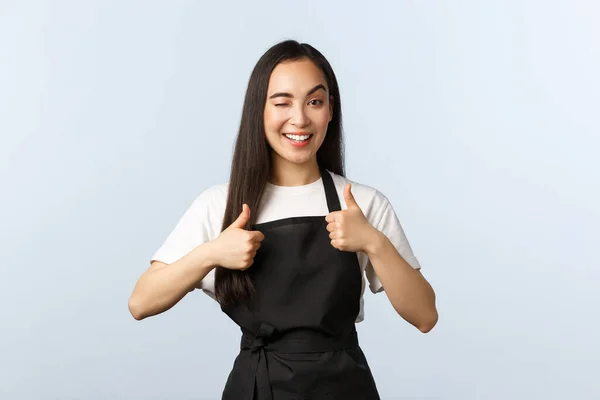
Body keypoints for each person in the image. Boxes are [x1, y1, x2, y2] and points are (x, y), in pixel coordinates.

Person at [128, 39, 438, 400]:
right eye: (282, 102)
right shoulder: (221, 205)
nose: (300, 118)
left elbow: (425, 315)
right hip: (257, 388)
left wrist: (374, 242)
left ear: (330, 110)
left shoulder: (362, 204)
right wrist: (210, 254)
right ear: (259, 110)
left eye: (314, 102)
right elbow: (141, 303)